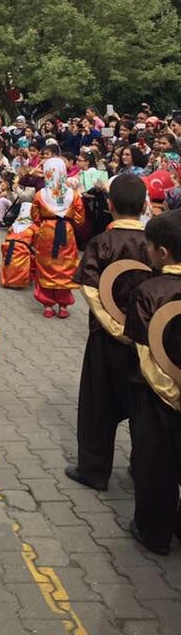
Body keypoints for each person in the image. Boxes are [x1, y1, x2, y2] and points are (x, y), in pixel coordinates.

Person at [65, 174, 152, 493]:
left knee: (97, 404)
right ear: (145, 205)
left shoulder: (101, 242)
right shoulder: (154, 244)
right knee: (145, 407)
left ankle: (95, 469)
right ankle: (142, 467)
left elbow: (89, 287)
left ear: (110, 205)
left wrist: (114, 325)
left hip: (106, 336)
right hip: (146, 340)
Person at [125, 210, 181, 556]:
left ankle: (153, 532)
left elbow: (146, 352)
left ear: (161, 253)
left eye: (148, 247)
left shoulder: (148, 290)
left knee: (155, 464)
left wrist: (171, 392)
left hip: (159, 396)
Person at [30, 156, 85, 319]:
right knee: (65, 267)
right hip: (66, 233)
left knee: (46, 266)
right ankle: (63, 305)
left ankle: (47, 305)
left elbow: (35, 216)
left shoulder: (41, 194)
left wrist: (45, 223)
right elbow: (80, 219)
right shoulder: (73, 195)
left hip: (46, 232)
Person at [0, 203, 37, 289]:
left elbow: (9, 232)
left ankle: (7, 278)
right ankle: (25, 279)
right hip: (21, 248)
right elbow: (36, 244)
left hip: (7, 246)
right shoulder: (34, 227)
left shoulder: (15, 225)